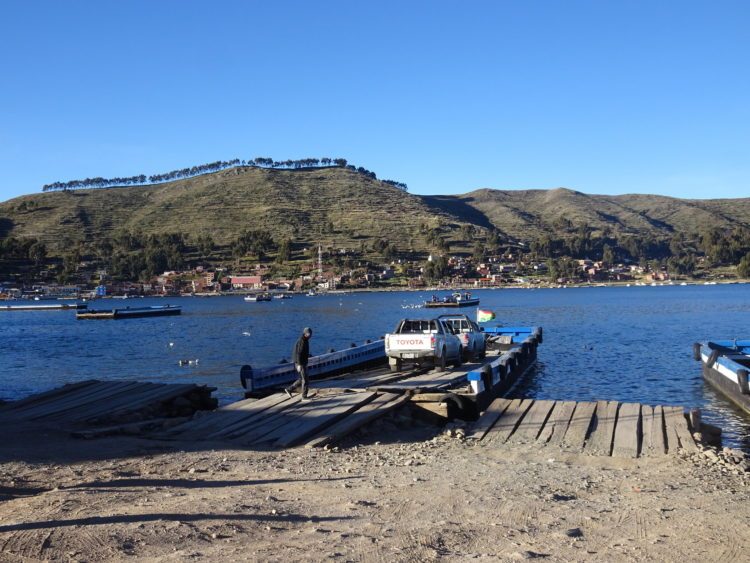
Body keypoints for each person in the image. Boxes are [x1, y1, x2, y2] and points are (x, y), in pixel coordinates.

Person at [285, 327, 312, 399]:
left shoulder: (305, 340)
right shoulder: (302, 341)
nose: (310, 335)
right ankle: (304, 396)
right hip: (300, 363)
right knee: (305, 380)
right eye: (309, 333)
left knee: (301, 379)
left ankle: (289, 389)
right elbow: (298, 354)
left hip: (303, 362)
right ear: (305, 333)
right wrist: (299, 365)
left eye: (311, 334)